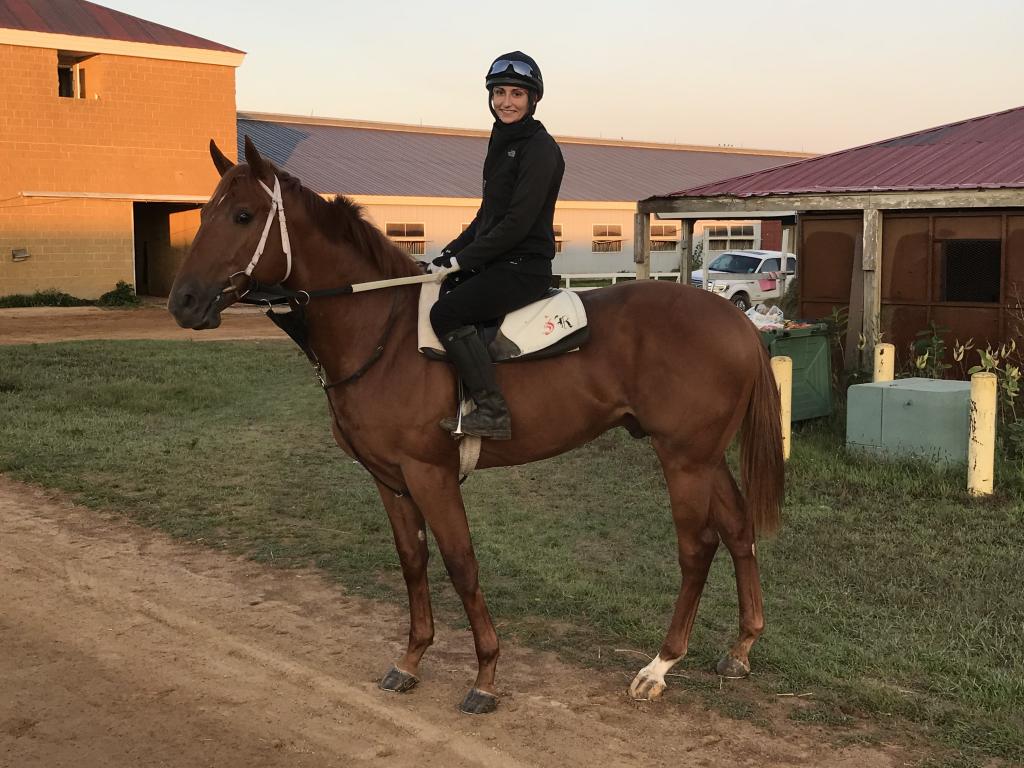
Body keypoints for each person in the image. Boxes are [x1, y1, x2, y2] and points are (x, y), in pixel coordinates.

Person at [429, 51, 565, 441]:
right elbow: (486, 217)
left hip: (523, 267)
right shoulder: (501, 139)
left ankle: (492, 410)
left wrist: (462, 261)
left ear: (533, 99)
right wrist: (447, 255)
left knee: (447, 314)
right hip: (497, 262)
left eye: (516, 94)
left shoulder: (540, 147)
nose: (506, 101)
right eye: (499, 93)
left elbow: (516, 224)